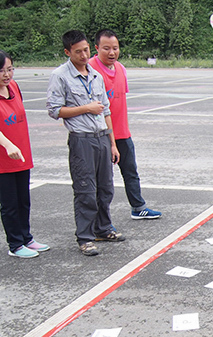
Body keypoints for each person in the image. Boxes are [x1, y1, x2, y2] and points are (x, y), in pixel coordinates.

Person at [47, 30, 124, 256]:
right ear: (67, 52)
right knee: (85, 190)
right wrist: (86, 108)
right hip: (81, 140)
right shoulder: (61, 75)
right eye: (78, 51)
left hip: (101, 137)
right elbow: (54, 110)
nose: (83, 55)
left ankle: (103, 228)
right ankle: (85, 237)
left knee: (105, 188)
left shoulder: (96, 75)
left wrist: (113, 143)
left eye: (86, 50)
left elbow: (106, 110)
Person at [89, 30, 162, 221]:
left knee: (130, 171)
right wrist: (110, 138)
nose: (111, 52)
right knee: (102, 180)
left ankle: (138, 207)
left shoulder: (120, 68)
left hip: (122, 132)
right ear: (97, 48)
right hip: (101, 134)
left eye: (115, 48)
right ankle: (100, 220)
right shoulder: (91, 70)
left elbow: (119, 103)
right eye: (106, 48)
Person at [0, 50, 50, 258]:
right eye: (1, 71)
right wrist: (7, 145)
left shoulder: (14, 87)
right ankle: (15, 244)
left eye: (10, 69)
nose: (7, 75)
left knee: (23, 200)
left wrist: (18, 147)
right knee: (9, 204)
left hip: (22, 156)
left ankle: (26, 237)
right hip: (4, 160)